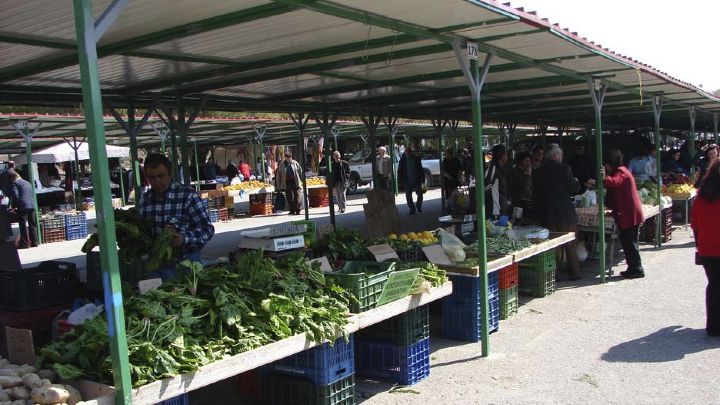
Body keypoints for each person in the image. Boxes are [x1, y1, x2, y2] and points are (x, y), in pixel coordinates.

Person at [138, 153, 214, 280]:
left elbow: (207, 230)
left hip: (186, 263)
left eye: (161, 176)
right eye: (152, 177)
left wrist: (184, 238)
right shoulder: (144, 200)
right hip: (156, 267)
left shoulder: (187, 195)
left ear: (170, 175)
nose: (157, 181)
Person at [533, 144, 581, 281]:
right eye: (560, 154)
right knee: (570, 244)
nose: (562, 156)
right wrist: (576, 181)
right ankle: (574, 273)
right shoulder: (565, 169)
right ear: (555, 155)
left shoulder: (538, 171)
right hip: (565, 213)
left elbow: (535, 193)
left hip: (547, 214)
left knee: (553, 246)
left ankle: (555, 275)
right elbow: (574, 187)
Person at [601, 149, 645, 279]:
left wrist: (604, 178)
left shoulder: (621, 173)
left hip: (629, 214)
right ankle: (633, 268)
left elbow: (615, 182)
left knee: (630, 243)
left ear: (610, 164)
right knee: (628, 243)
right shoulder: (623, 171)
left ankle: (637, 269)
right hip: (628, 213)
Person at [691, 160, 720, 336]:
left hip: (706, 248)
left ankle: (713, 326)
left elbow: (695, 225)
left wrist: (699, 245)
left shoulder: (700, 198)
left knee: (714, 284)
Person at [9, 171, 38, 249]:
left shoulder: (15, 183)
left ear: (13, 178)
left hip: (22, 206)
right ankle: (35, 242)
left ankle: (25, 244)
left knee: (23, 224)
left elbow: (15, 195)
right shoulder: (28, 183)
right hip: (31, 205)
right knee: (32, 224)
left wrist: (15, 206)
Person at [397, 145, 424, 215]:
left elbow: (421, 169)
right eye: (406, 151)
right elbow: (400, 171)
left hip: (416, 180)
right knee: (408, 196)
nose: (407, 153)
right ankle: (412, 209)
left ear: (411, 152)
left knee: (420, 194)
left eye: (409, 151)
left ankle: (418, 206)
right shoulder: (403, 160)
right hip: (407, 181)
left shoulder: (416, 159)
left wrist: (423, 178)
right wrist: (400, 180)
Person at [484, 144, 509, 219]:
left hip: (500, 211)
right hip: (495, 212)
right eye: (506, 155)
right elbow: (486, 186)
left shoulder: (500, 169)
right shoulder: (493, 168)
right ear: (502, 156)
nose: (507, 157)